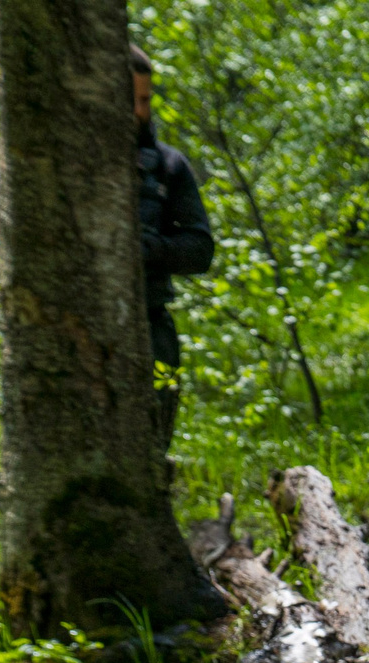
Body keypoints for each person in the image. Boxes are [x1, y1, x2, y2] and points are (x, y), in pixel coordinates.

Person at [132, 47, 215, 452]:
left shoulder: (168, 166)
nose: (137, 110)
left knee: (155, 441)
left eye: (144, 100)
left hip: (153, 325)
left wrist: (152, 249)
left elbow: (200, 249)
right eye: (128, 98)